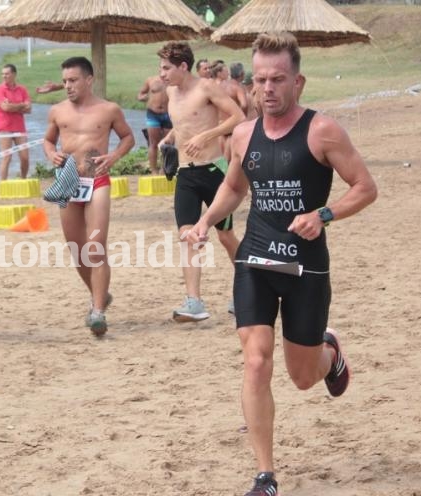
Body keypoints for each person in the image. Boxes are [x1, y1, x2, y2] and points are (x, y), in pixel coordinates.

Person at [183, 32, 377, 495]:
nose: (267, 88)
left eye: (277, 79)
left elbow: (365, 187)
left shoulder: (322, 131)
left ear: (298, 82)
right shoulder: (243, 134)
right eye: (260, 80)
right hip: (255, 259)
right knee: (255, 362)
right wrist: (205, 221)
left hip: (306, 268)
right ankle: (265, 476)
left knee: (303, 378)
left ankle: (329, 354)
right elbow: (234, 187)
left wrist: (323, 214)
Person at [43, 56, 135, 337]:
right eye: (64, 81)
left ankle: (97, 311)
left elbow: (128, 137)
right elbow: (48, 140)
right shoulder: (57, 111)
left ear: (89, 79)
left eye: (73, 80)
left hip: (97, 180)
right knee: (77, 248)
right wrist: (51, 153)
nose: (67, 86)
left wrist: (115, 156)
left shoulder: (109, 109)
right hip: (68, 179)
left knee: (95, 244)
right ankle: (100, 294)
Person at [156, 42, 245, 322]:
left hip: (214, 172)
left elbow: (238, 117)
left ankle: (248, 288)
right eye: (160, 67)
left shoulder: (206, 88)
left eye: (166, 68)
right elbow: (184, 123)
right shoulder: (171, 91)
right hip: (186, 173)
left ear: (183, 66)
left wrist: (206, 136)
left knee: (225, 236)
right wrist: (169, 139)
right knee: (187, 235)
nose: (162, 74)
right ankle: (194, 302)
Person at [0, 63, 31, 180]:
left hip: (19, 127)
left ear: (14, 74)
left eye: (7, 74)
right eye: (2, 74)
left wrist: (13, 106)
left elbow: (29, 109)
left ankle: (23, 179)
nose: (4, 76)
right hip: (4, 127)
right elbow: (5, 108)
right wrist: (21, 106)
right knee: (7, 157)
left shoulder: (22, 89)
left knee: (25, 157)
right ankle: (3, 183)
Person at [210, 60, 248, 160]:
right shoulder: (236, 88)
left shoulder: (215, 87)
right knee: (231, 163)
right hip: (232, 128)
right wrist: (243, 118)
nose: (227, 73)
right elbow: (244, 105)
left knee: (220, 164)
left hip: (220, 128)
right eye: (225, 71)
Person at [137, 75, 172, 175]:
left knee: (167, 144)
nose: (164, 71)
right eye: (162, 68)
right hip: (153, 113)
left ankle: (164, 169)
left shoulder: (173, 80)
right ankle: (153, 170)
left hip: (168, 113)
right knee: (153, 143)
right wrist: (142, 97)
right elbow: (140, 94)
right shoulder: (151, 80)